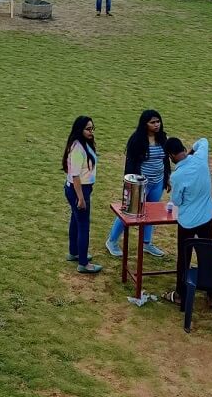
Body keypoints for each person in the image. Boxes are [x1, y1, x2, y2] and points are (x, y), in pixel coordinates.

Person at [105, 110, 170, 258]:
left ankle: (146, 243)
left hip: (157, 182)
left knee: (150, 213)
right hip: (140, 185)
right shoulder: (137, 140)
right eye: (152, 122)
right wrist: (131, 185)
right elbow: (130, 164)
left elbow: (165, 160)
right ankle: (112, 241)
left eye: (158, 121)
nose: (156, 125)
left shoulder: (163, 138)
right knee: (129, 212)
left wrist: (167, 178)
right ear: (145, 124)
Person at [166, 136, 212, 308]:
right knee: (207, 256)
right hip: (207, 218)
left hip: (187, 223)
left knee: (184, 258)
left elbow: (177, 201)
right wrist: (192, 151)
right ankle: (211, 295)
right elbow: (203, 141)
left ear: (170, 156)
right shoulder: (201, 158)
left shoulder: (177, 176)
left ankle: (180, 293)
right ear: (184, 148)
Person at [62, 115, 102, 274]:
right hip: (78, 190)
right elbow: (75, 176)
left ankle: (74, 252)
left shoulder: (83, 144)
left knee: (76, 220)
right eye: (88, 129)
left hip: (79, 189)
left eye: (92, 128)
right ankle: (83, 263)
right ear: (80, 129)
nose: (91, 131)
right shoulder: (78, 149)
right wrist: (80, 198)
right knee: (84, 225)